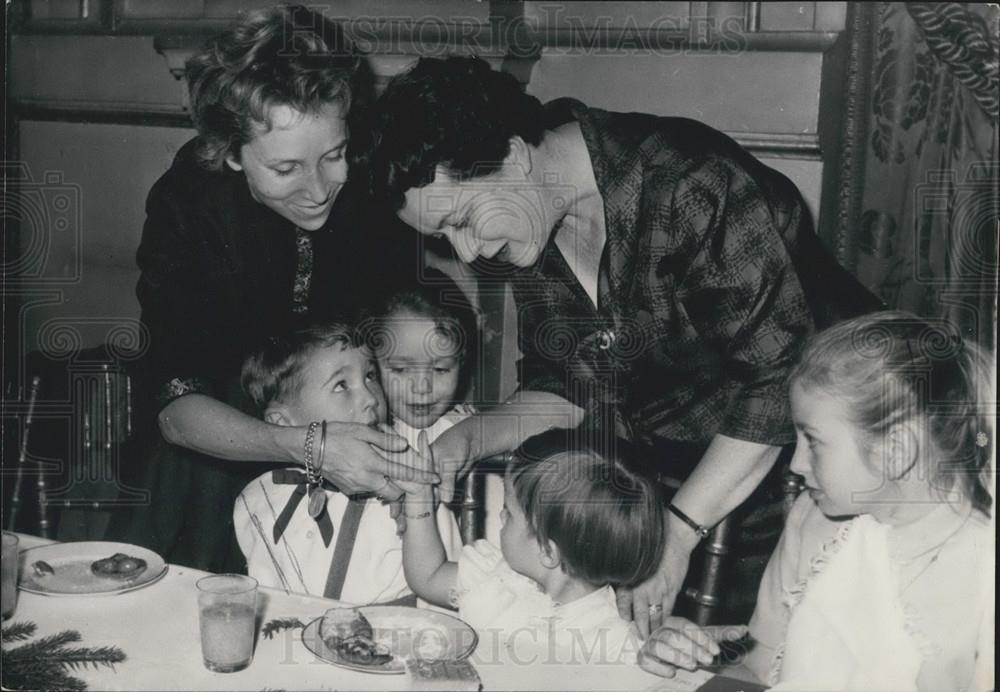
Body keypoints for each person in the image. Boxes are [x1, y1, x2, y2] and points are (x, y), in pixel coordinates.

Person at [362, 55, 881, 634]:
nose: (464, 253)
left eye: (460, 219)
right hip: (673, 484)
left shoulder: (686, 184)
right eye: (442, 237)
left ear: (511, 154)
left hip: (815, 472)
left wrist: (679, 532)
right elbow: (567, 385)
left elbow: (773, 381)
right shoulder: (532, 226)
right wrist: (464, 439)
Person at [114, 6, 432, 572]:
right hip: (208, 459)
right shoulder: (188, 205)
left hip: (352, 434)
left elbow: (405, 316)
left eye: (333, 156)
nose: (318, 190)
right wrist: (309, 445)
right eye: (286, 169)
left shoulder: (368, 179)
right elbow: (175, 407)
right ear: (232, 154)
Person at [639, 312, 995, 691]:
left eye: (813, 441)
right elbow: (762, 670)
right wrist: (687, 658)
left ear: (896, 450)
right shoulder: (814, 521)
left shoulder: (978, 572)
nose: (795, 465)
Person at [233, 324, 461, 603]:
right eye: (341, 385)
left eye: (369, 376)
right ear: (283, 424)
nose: (369, 397)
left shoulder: (415, 490)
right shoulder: (258, 499)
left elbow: (450, 600)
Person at [398, 429, 665, 664]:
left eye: (508, 512)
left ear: (547, 551)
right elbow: (427, 575)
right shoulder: (493, 576)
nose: (501, 517)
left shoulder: (613, 640)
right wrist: (418, 502)